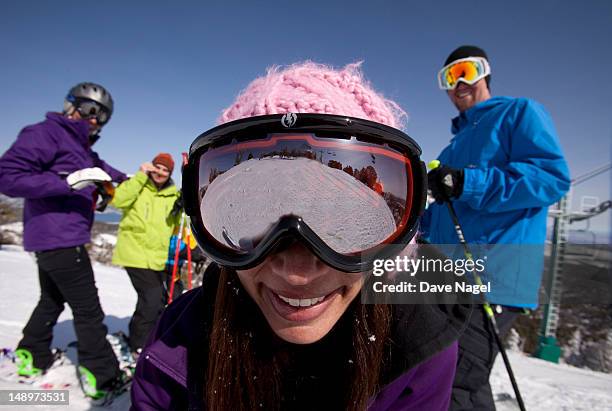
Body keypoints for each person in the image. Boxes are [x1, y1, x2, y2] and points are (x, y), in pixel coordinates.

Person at [130, 62, 471, 411]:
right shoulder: (178, 338)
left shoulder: (415, 347)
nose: (297, 271)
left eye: (341, 223)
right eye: (254, 218)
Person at [421, 45, 571, 410]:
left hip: (492, 278)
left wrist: (467, 183)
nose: (458, 84)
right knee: (434, 377)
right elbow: (445, 217)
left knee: (460, 384)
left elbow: (551, 178)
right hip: (447, 277)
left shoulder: (518, 113)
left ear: (484, 74)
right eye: (449, 77)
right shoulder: (454, 145)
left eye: (466, 72)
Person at [0, 82, 128, 400]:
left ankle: (31, 354)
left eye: (103, 116)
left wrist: (128, 181)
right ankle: (102, 376)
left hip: (54, 237)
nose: (96, 120)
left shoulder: (82, 149)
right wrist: (67, 183)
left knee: (52, 300)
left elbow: (107, 173)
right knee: (88, 310)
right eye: (92, 110)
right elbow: (7, 176)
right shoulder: (46, 133)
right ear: (74, 105)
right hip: (59, 237)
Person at [111, 153, 181, 355]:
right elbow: (118, 200)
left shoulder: (172, 195)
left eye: (165, 170)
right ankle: (138, 347)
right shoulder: (138, 186)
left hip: (157, 258)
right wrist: (140, 176)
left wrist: (182, 208)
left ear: (170, 174)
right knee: (151, 298)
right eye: (157, 167)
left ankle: (149, 337)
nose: (160, 172)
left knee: (160, 300)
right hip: (134, 253)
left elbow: (176, 226)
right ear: (151, 167)